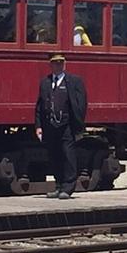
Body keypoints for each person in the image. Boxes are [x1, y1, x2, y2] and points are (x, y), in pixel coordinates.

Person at [34, 53, 88, 199]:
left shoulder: (74, 81)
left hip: (67, 125)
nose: (58, 65)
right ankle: (58, 185)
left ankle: (68, 187)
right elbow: (39, 106)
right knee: (54, 155)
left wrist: (79, 125)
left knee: (68, 155)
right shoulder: (45, 83)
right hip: (50, 125)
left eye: (61, 63)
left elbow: (81, 104)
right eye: (55, 63)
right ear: (50, 65)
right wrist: (38, 125)